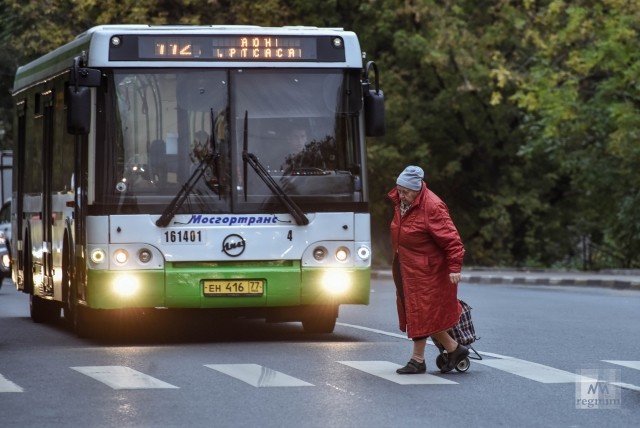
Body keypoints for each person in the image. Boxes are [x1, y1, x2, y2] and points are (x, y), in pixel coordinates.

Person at [388, 165, 468, 374]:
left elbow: (453, 241)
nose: (400, 194)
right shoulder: (403, 202)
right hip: (407, 266)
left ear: (417, 189)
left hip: (427, 271)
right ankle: (450, 350)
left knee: (423, 313)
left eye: (405, 191)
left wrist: (454, 268)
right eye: (398, 189)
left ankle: (421, 358)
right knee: (416, 312)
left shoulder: (432, 206)